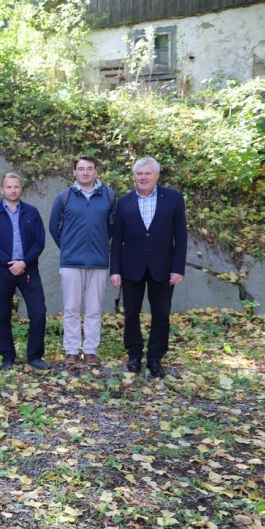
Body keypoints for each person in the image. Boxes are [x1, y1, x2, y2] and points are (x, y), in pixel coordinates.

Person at [110, 157, 187, 378]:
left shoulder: (173, 198)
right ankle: (134, 355)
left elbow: (181, 237)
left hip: (163, 267)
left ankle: (155, 358)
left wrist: (178, 268)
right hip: (131, 267)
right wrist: (115, 269)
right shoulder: (124, 202)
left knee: (161, 314)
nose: (143, 178)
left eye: (147, 174)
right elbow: (117, 240)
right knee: (131, 313)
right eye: (139, 174)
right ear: (134, 176)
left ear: (157, 175)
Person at [48, 155, 116, 367]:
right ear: (74, 172)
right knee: (71, 308)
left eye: (89, 168)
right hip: (71, 262)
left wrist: (102, 246)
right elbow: (54, 228)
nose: (85, 172)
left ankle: (90, 350)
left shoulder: (109, 196)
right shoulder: (64, 197)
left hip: (98, 261)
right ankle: (71, 350)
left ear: (96, 171)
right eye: (81, 169)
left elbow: (113, 227)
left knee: (94, 309)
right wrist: (69, 247)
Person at [0, 173, 51, 371]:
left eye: (16, 187)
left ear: (21, 189)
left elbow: (40, 242)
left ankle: (35, 356)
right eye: (8, 187)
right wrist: (9, 263)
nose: (13, 190)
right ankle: (7, 358)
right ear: (2, 190)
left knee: (38, 313)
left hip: (28, 270)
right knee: (4, 315)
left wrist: (24, 262)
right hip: (2, 271)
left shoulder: (32, 212)